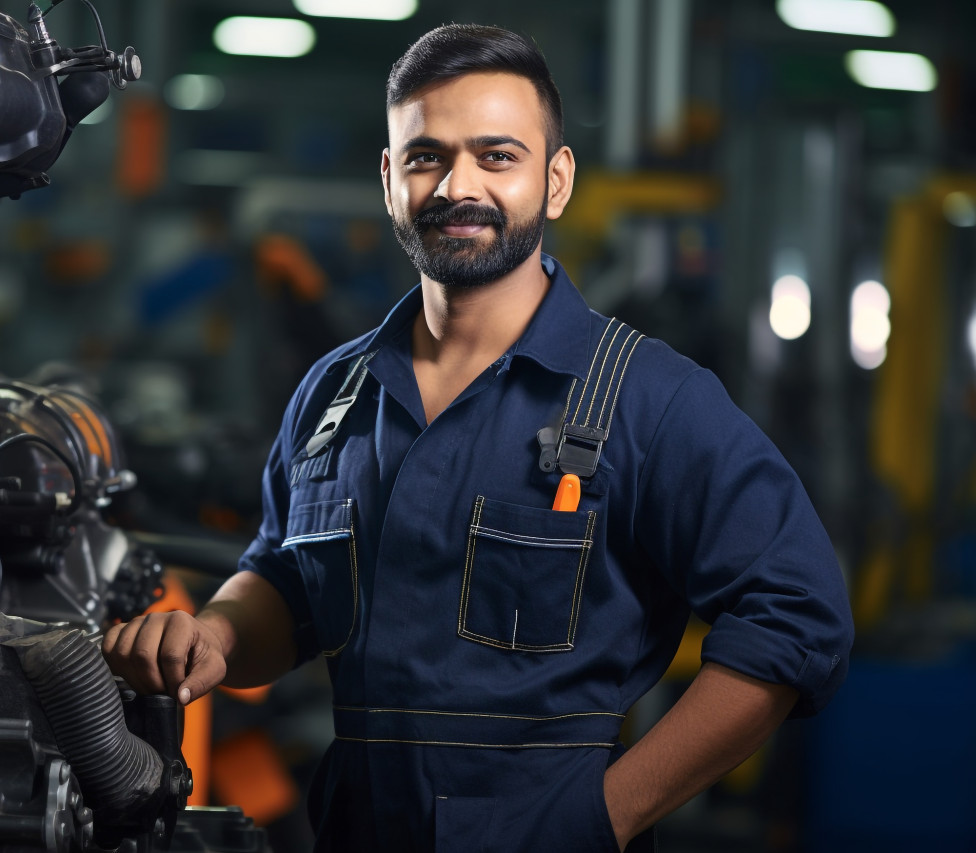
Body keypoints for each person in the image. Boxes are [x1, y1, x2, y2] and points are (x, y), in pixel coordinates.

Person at [104, 23, 854, 852]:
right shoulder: (334, 395)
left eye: (498, 156)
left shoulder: (650, 400)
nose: (458, 183)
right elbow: (287, 572)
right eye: (427, 155)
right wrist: (214, 635)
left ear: (556, 180)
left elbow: (798, 614)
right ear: (390, 177)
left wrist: (611, 812)